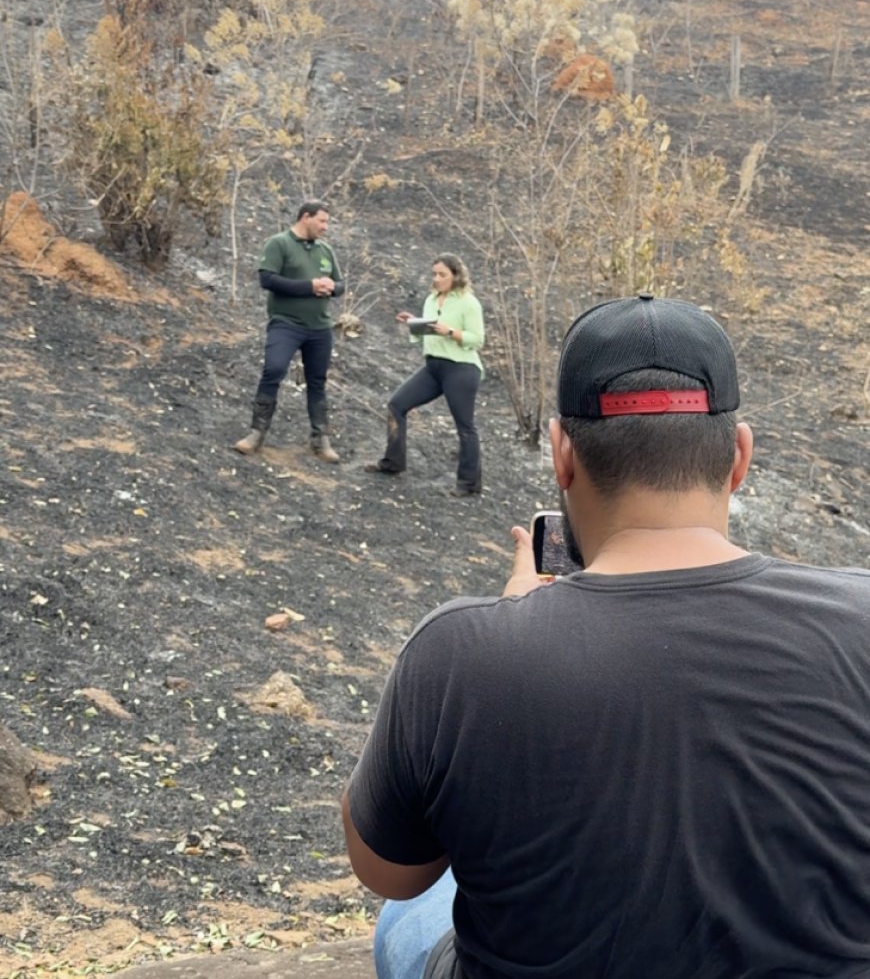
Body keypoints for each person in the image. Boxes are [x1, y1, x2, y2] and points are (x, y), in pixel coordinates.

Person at [342, 293, 870, 979]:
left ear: (562, 455)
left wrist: (511, 624)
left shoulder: (459, 654)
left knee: (409, 917)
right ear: (739, 457)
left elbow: (387, 869)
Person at [234, 200, 344, 463]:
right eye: (322, 221)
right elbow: (268, 279)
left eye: (327, 222)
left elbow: (341, 285)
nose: (325, 227)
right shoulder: (279, 243)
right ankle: (256, 433)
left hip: (320, 326)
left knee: (317, 381)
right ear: (305, 217)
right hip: (286, 323)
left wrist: (332, 287)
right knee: (274, 369)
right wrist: (309, 286)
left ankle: (321, 439)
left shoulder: (325, 250)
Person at [366, 254, 485, 497]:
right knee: (396, 405)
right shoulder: (431, 300)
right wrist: (413, 324)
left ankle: (469, 484)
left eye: (442, 275)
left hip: (461, 368)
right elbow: (425, 335)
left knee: (465, 426)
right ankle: (393, 462)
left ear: (456, 276)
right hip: (433, 367)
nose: (437, 279)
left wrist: (450, 331)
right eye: (434, 274)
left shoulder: (468, 302)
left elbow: (477, 340)